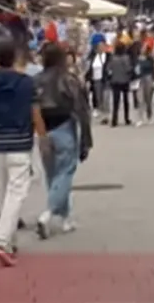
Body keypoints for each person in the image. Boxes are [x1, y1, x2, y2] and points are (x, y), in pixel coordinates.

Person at [0, 37, 48, 267]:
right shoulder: (26, 83)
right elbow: (35, 112)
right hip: (20, 142)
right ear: (15, 57)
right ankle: (1, 241)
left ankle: (10, 242)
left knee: (3, 191)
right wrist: (43, 137)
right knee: (16, 193)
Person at [34, 43, 92, 240]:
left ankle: (65, 218)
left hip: (43, 130)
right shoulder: (68, 79)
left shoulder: (35, 81)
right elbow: (82, 109)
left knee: (53, 176)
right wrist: (86, 138)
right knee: (65, 173)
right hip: (64, 128)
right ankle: (48, 213)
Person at [107, 42, 133, 127]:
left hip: (115, 81)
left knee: (115, 102)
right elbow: (128, 69)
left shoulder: (112, 58)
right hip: (125, 81)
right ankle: (126, 118)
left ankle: (114, 119)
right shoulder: (126, 58)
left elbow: (109, 69)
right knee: (126, 101)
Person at [86, 42, 109, 117]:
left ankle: (105, 111)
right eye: (100, 47)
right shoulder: (93, 57)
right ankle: (98, 109)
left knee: (105, 95)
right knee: (97, 95)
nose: (101, 48)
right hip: (95, 78)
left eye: (103, 47)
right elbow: (89, 67)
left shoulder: (107, 56)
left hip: (105, 78)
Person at [136, 44, 154, 124]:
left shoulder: (151, 59)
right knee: (140, 99)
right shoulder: (139, 59)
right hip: (140, 79)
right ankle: (140, 117)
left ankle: (149, 114)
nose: (142, 50)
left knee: (148, 99)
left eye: (143, 48)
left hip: (148, 78)